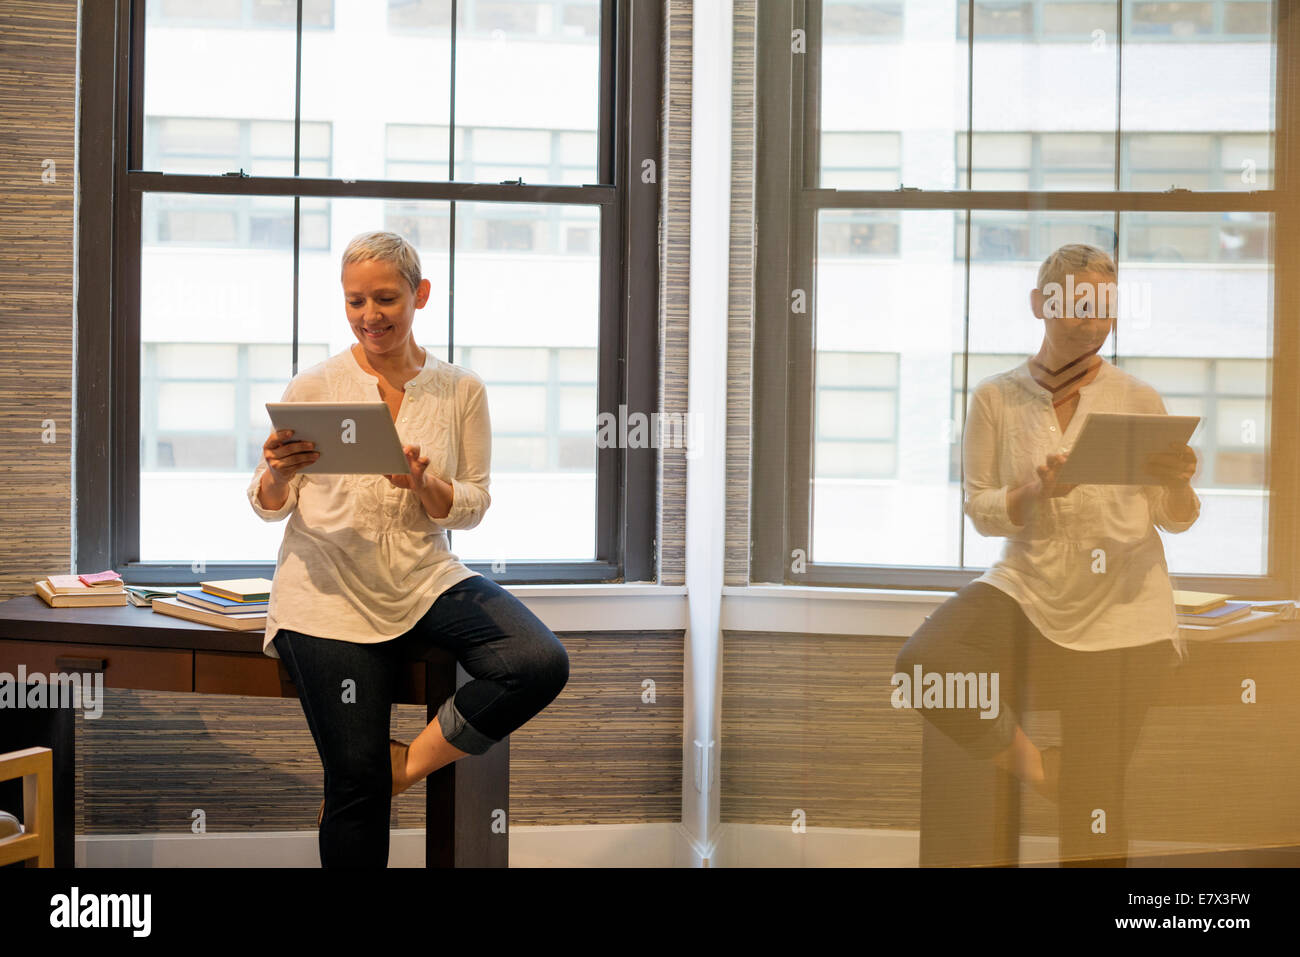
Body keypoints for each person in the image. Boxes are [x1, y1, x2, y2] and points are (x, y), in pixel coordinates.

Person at [246, 230, 569, 868]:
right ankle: (375, 773)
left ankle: (406, 763)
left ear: (420, 295)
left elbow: (474, 504)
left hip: (425, 577)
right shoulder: (315, 385)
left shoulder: (460, 390)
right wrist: (277, 472)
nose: (371, 316)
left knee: (537, 661)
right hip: (326, 593)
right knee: (354, 784)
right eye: (355, 301)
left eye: (386, 298)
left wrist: (426, 484)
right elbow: (265, 503)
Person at [896, 243, 1199, 864]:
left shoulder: (1138, 398)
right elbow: (980, 511)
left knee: (1096, 806)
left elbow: (1175, 519)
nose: (1091, 322)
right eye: (1077, 306)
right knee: (926, 664)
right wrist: (1033, 491)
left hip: (1125, 609)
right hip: (1027, 588)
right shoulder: (996, 398)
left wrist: (1179, 481)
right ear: (1042, 303)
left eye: (1105, 309)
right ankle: (1044, 771)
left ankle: (1079, 786)